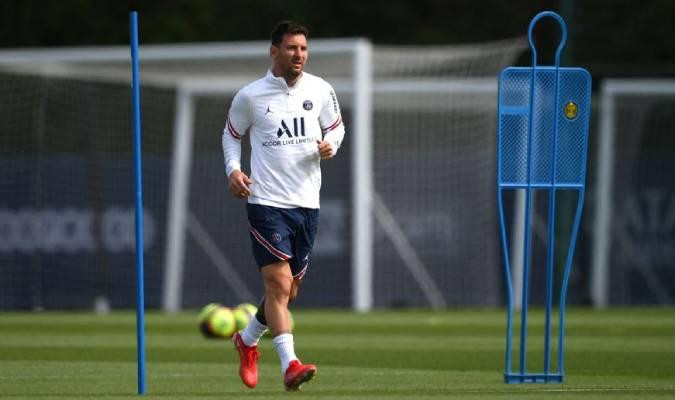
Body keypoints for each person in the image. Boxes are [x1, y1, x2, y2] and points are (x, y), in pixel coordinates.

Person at [221, 21, 345, 391]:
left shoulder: (321, 89)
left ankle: (246, 340)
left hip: (307, 203)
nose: (299, 55)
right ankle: (290, 364)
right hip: (266, 201)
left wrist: (331, 145)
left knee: (288, 292)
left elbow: (336, 127)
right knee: (277, 285)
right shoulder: (251, 96)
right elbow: (231, 135)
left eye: (304, 49)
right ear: (274, 51)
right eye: (291, 48)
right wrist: (233, 170)